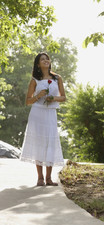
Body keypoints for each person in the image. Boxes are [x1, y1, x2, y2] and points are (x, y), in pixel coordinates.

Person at [20, 52, 66, 186]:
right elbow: (28, 101)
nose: (46, 61)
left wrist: (53, 98)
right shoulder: (35, 80)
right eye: (42, 59)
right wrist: (38, 95)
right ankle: (40, 178)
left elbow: (63, 97)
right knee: (39, 144)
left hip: (50, 114)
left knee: (50, 144)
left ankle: (49, 178)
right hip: (37, 114)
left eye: (47, 59)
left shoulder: (57, 78)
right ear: (38, 64)